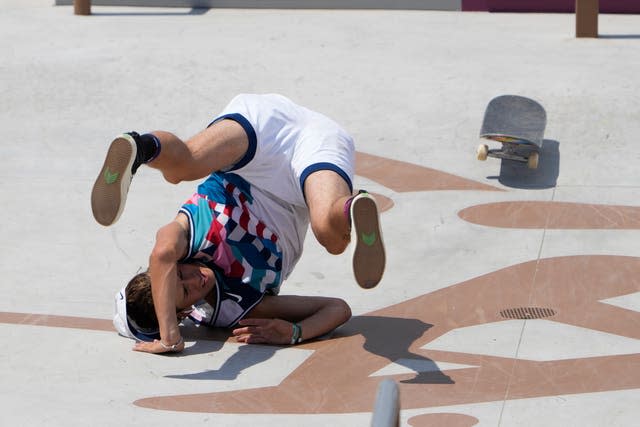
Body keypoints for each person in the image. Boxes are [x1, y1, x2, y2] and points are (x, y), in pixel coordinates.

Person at [92, 94, 385, 354]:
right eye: (186, 291)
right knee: (330, 235)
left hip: (254, 144)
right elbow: (337, 309)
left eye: (179, 275)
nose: (195, 279)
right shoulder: (236, 304)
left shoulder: (185, 238)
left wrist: (170, 338)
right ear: (184, 313)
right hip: (314, 155)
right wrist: (295, 333)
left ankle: (140, 147)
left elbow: (162, 255)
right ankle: (351, 207)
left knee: (185, 165)